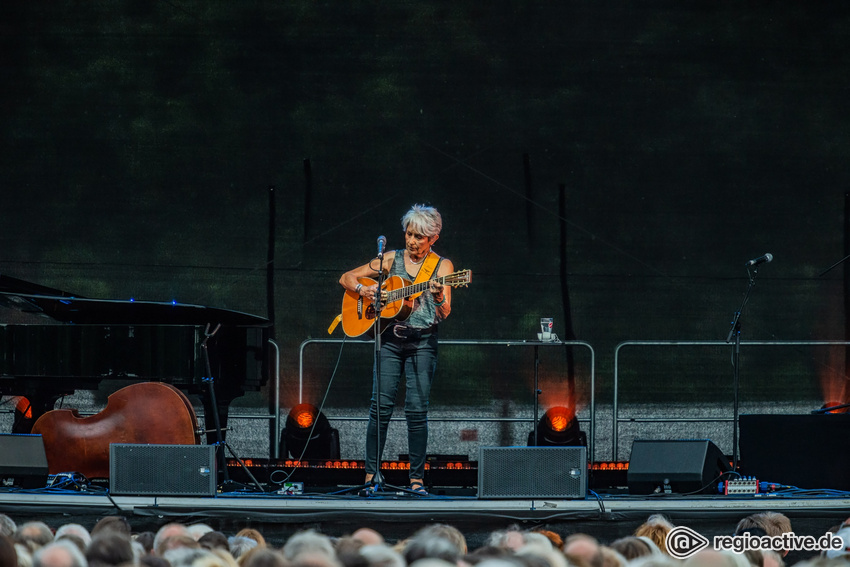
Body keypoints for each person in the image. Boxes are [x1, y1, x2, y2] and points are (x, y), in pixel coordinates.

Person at [339, 204, 454, 496]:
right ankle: (370, 476)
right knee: (380, 408)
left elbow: (444, 313)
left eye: (419, 237)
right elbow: (347, 278)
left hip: (423, 342)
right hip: (389, 340)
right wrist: (365, 291)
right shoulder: (391, 259)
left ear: (433, 238)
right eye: (409, 234)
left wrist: (439, 296)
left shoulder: (443, 268)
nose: (412, 241)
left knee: (417, 411)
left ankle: (416, 480)